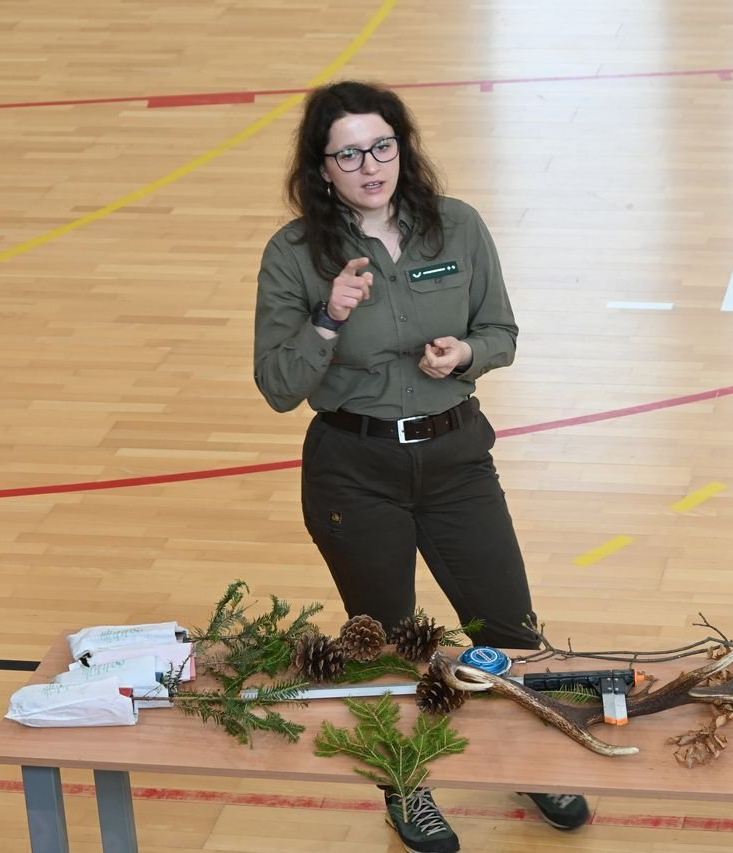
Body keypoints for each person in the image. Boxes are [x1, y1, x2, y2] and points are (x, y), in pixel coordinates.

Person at [252, 80, 589, 853]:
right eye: (348, 154)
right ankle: (407, 785)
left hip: (457, 459)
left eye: (382, 146)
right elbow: (277, 386)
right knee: (388, 643)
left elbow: (501, 331)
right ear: (321, 166)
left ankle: (529, 761)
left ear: (402, 147)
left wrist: (466, 353)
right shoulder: (294, 254)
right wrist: (329, 316)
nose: (369, 165)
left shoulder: (458, 226)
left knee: (509, 628)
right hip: (354, 469)